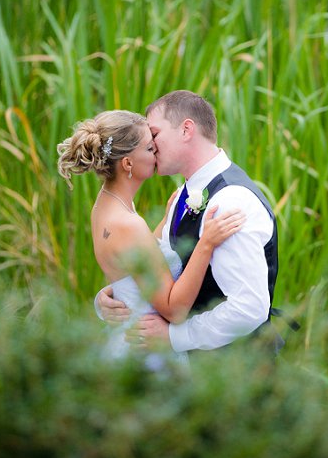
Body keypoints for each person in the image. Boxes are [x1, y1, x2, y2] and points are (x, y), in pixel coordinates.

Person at [96, 91, 282, 356]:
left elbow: (249, 308)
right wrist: (117, 295)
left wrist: (174, 337)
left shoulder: (230, 202)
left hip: (234, 374)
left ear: (186, 130)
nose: (152, 145)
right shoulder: (185, 194)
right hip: (197, 376)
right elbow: (156, 267)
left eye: (155, 134)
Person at [56, 110, 246, 362]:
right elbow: (174, 309)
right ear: (127, 163)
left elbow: (133, 259)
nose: (156, 153)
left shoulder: (106, 206)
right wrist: (206, 244)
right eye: (149, 148)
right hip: (146, 351)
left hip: (127, 337)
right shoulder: (127, 223)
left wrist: (164, 223)